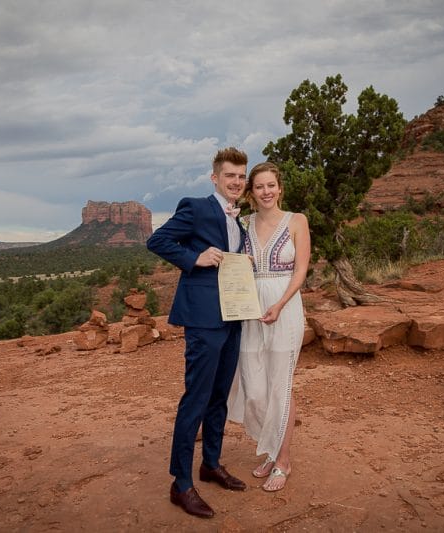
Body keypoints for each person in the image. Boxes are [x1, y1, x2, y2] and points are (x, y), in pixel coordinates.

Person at [146, 147, 250, 519]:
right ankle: (181, 483)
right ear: (215, 178)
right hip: (204, 320)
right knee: (196, 398)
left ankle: (211, 464)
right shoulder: (197, 206)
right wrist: (195, 258)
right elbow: (157, 241)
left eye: (241, 176)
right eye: (229, 176)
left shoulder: (240, 220)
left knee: (220, 395)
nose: (236, 182)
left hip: (234, 316)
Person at [227, 161, 311, 492]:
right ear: (252, 192)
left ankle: (283, 459)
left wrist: (279, 304)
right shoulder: (242, 223)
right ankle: (271, 449)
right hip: (250, 309)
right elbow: (231, 261)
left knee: (281, 386)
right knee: (255, 390)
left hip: (285, 306)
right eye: (259, 186)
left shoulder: (297, 221)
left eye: (271, 185)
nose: (266, 191)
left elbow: (301, 270)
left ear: (280, 188)